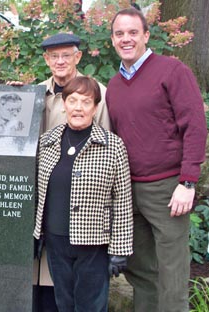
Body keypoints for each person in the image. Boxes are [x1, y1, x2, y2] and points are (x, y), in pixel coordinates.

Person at [106, 8, 208, 312]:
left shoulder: (172, 71)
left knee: (172, 273)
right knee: (141, 271)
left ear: (146, 36)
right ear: (112, 39)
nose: (126, 39)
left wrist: (187, 182)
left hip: (167, 189)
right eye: (120, 33)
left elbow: (195, 126)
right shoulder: (113, 85)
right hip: (128, 190)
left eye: (133, 32)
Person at [33, 76, 133, 312]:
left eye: (86, 102)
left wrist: (120, 249)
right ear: (64, 104)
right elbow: (39, 192)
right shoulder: (47, 141)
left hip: (93, 245)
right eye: (73, 100)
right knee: (63, 303)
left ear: (96, 107)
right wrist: (35, 233)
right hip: (56, 241)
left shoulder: (113, 146)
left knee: (90, 306)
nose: (78, 107)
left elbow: (123, 201)